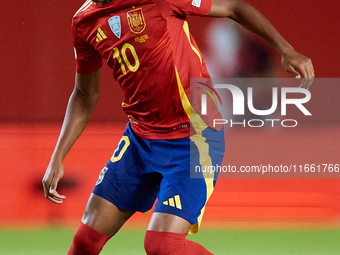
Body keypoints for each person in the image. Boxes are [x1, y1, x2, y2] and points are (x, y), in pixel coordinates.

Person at [42, 0, 315, 254]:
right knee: (85, 242)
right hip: (140, 139)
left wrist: (285, 49)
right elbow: (84, 95)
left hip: (193, 136)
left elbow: (233, 7)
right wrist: (57, 157)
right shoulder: (84, 22)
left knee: (162, 246)